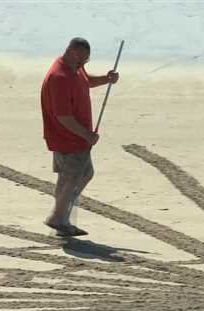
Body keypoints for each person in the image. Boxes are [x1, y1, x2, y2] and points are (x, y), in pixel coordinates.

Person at [40, 37, 119, 237]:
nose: (84, 64)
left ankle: (60, 216)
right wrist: (86, 134)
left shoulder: (75, 68)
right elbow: (63, 116)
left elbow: (85, 81)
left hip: (76, 137)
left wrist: (105, 79)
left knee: (74, 175)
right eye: (83, 60)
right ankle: (58, 217)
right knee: (76, 175)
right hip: (67, 137)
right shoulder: (59, 77)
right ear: (72, 52)